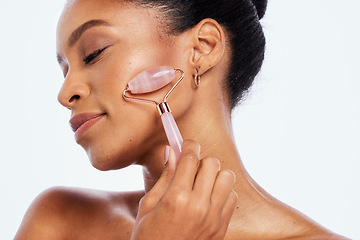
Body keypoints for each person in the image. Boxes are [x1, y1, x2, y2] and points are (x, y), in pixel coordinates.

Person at [14, 0, 350, 239]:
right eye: (65, 69)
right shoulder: (59, 222)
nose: (65, 93)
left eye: (93, 53)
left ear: (203, 47)